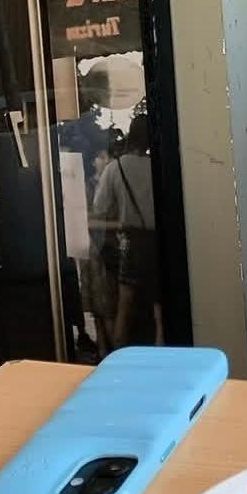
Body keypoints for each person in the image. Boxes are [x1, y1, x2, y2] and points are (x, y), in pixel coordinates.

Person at [91, 112, 160, 347]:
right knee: (159, 313)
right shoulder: (158, 165)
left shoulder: (115, 168)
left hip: (131, 242)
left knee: (124, 309)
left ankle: (120, 357)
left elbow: (99, 207)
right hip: (158, 242)